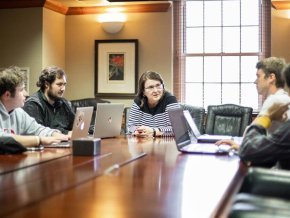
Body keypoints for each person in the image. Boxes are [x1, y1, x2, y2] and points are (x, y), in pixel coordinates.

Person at [216, 57, 290, 149]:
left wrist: (239, 147)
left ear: (271, 77)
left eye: (258, 76)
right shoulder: (282, 98)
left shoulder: (275, 101)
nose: (255, 81)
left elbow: (250, 134)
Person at [0, 66, 69, 147]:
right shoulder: (32, 103)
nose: (26, 94)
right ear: (7, 95)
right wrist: (39, 140)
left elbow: (38, 129)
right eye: (21, 90)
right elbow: (3, 138)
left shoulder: (18, 112)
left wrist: (57, 135)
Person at [23, 66, 75, 135]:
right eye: (59, 84)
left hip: (64, 142)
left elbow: (76, 126)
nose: (63, 89)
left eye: (64, 84)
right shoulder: (33, 104)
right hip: (45, 145)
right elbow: (39, 132)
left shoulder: (65, 103)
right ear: (46, 84)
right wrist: (66, 133)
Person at [127, 71, 180, 137]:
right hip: (144, 144)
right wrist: (136, 131)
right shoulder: (139, 101)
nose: (155, 90)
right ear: (143, 91)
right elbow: (130, 127)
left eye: (158, 85)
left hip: (166, 145)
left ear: (163, 86)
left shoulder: (170, 100)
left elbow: (179, 129)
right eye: (151, 87)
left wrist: (154, 131)